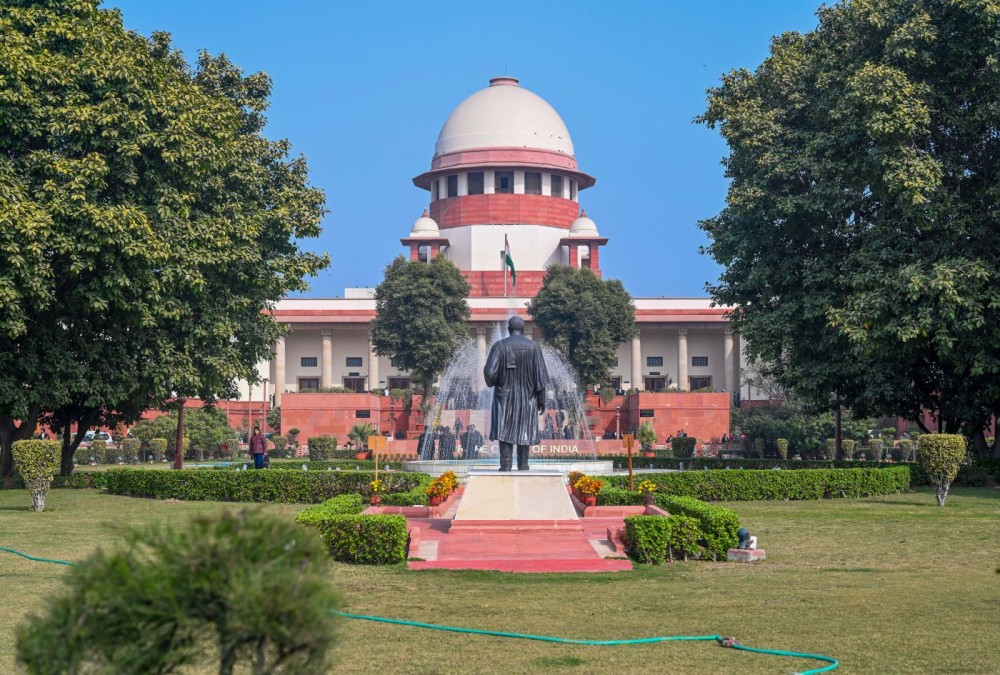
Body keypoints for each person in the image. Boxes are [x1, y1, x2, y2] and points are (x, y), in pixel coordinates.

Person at [483, 316, 549, 471]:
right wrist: (541, 400)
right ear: (524, 329)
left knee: (504, 430)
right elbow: (540, 379)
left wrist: (494, 381)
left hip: (504, 397)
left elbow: (489, 372)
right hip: (527, 399)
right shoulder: (534, 347)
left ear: (508, 329)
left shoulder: (499, 346)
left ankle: (505, 466)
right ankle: (523, 465)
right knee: (524, 431)